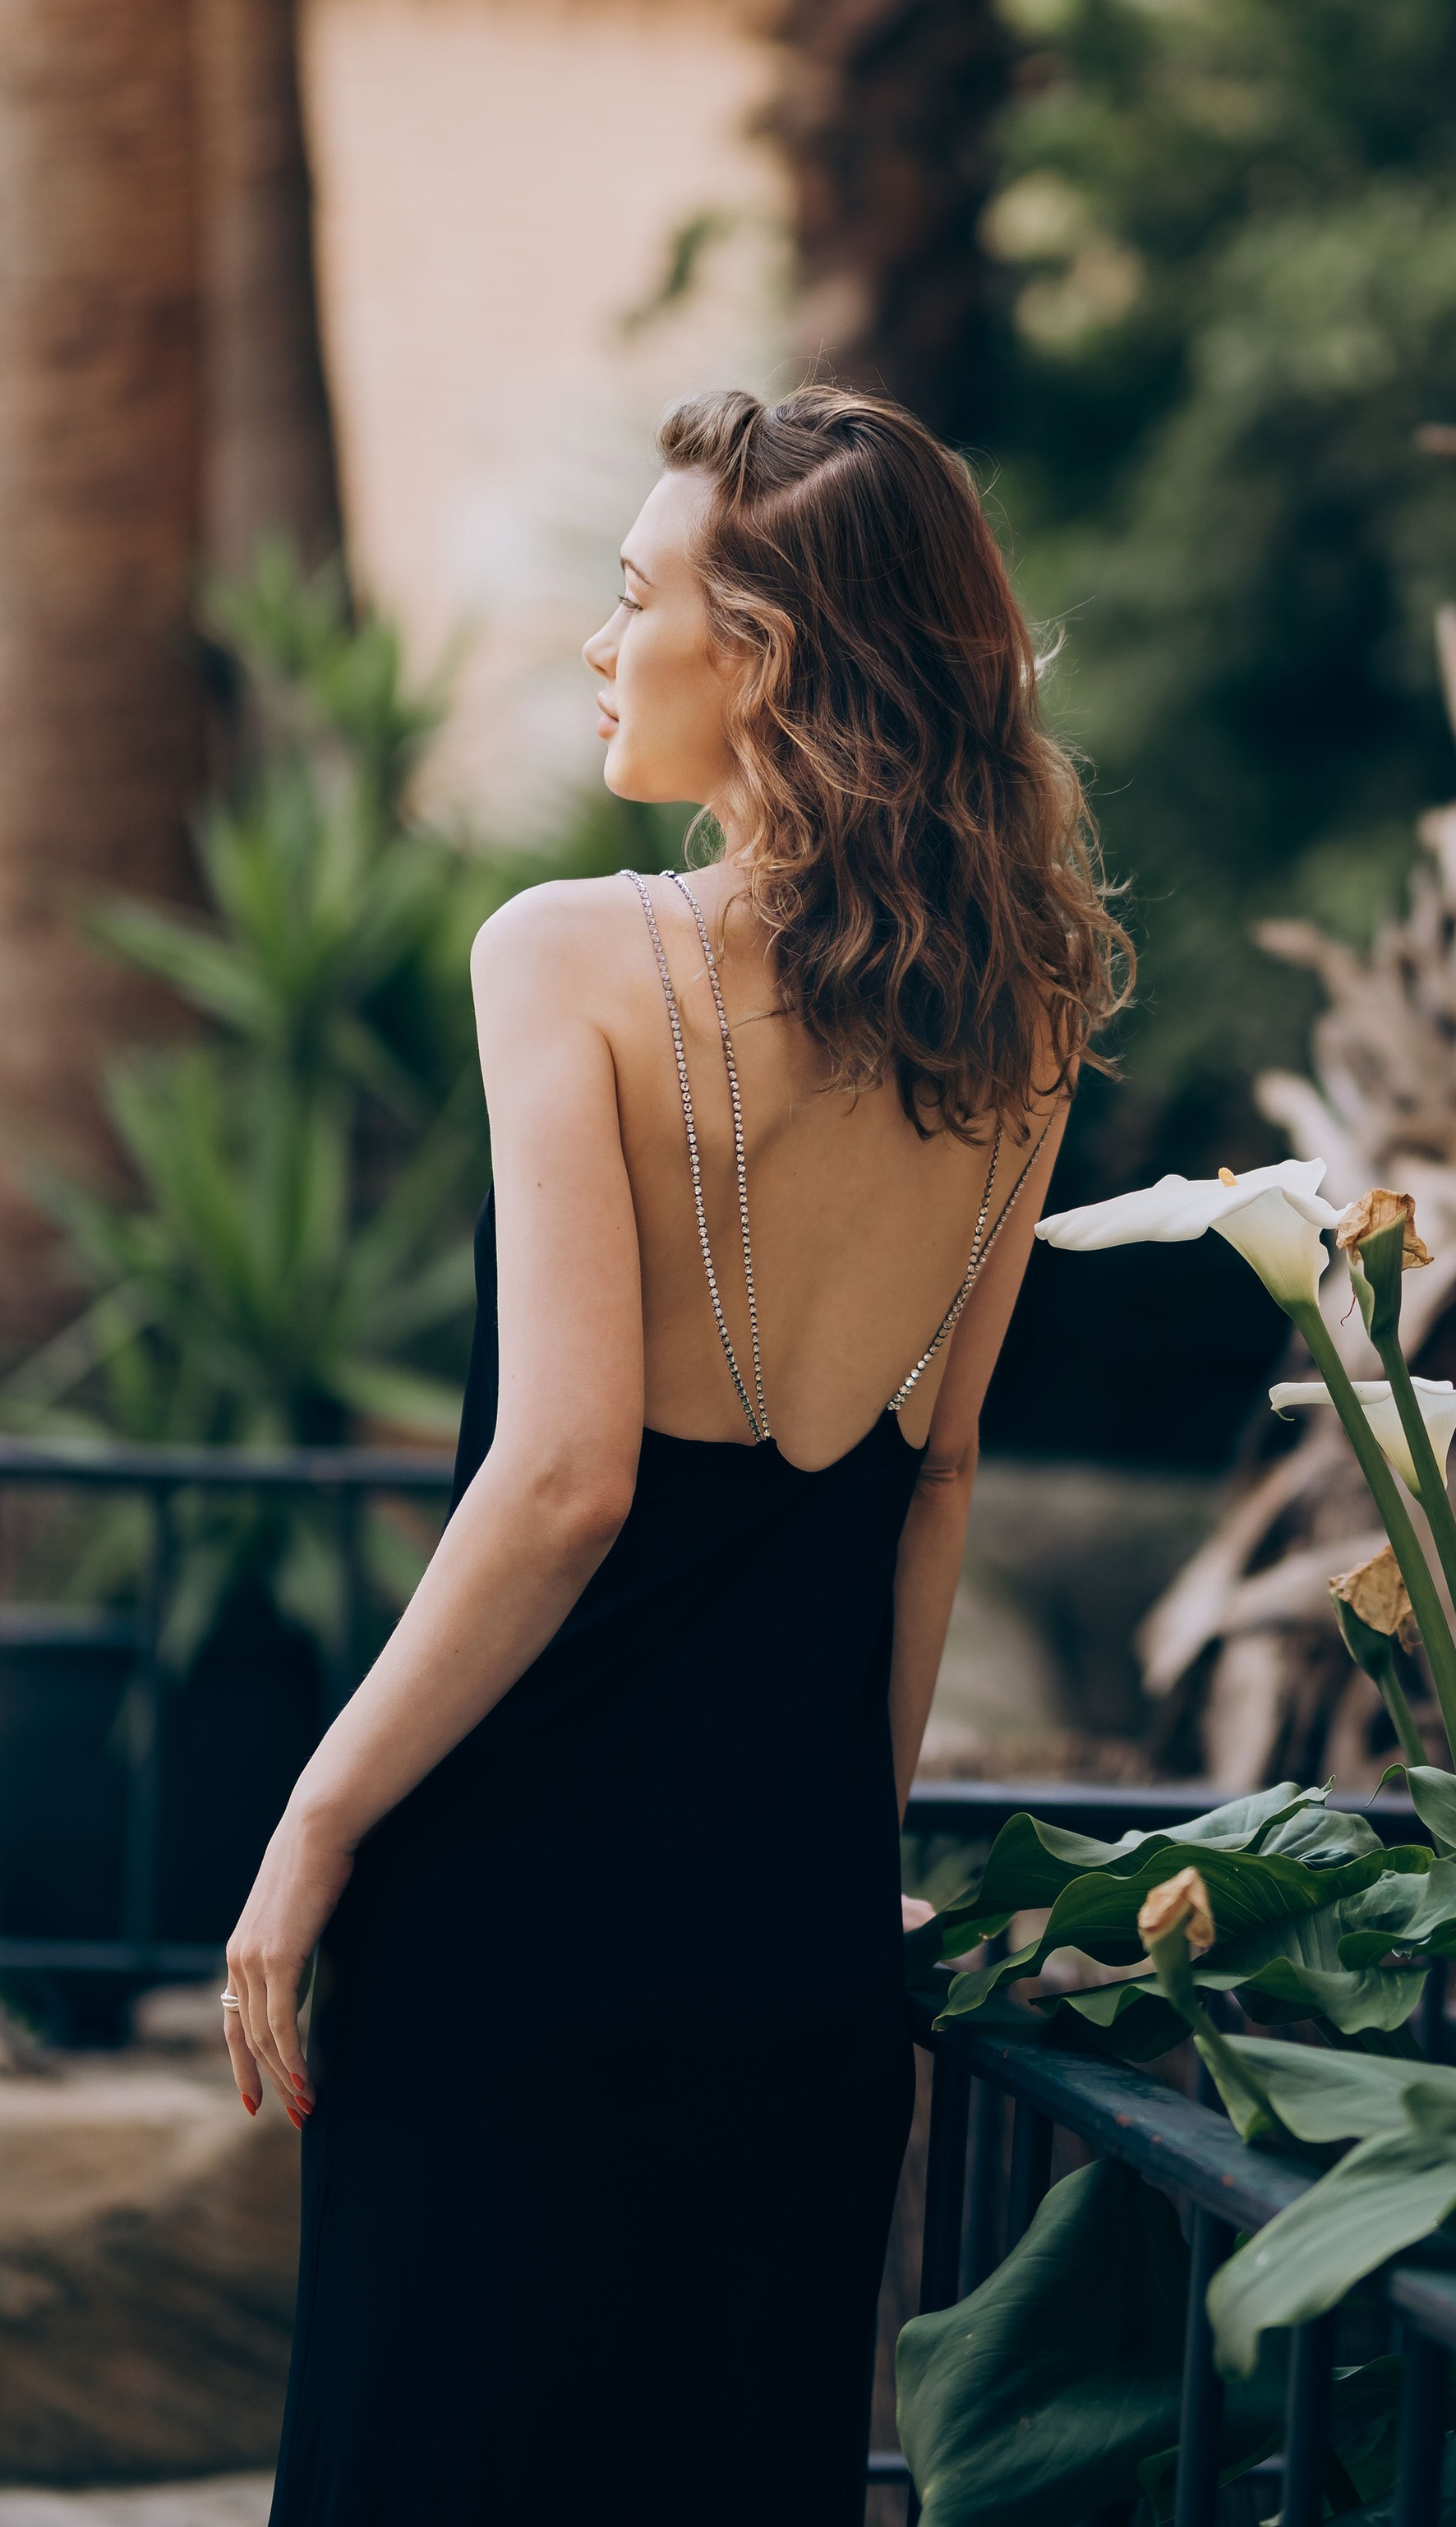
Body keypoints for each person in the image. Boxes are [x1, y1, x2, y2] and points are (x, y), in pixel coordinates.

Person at [220, 386, 1129, 2525]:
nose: (599, 646)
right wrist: (839, 1850)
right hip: (793, 1960)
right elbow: (937, 1483)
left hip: (509, 1930)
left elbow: (564, 1478)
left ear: (770, 660)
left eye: (636, 602)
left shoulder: (563, 958)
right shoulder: (1023, 1027)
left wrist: (315, 1823)